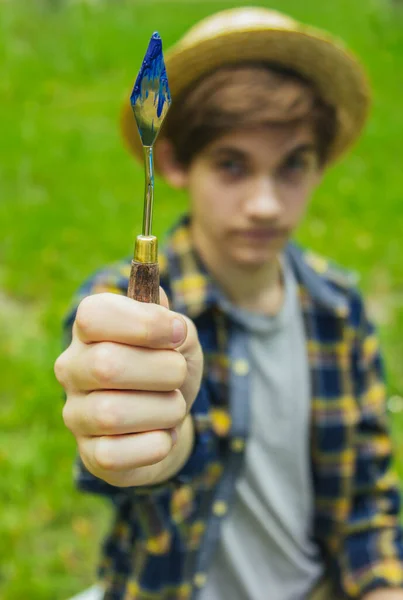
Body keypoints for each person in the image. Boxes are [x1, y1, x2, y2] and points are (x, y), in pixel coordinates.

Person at [54, 7, 403, 600]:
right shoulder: (127, 310)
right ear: (173, 162)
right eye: (233, 164)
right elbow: (137, 473)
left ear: (321, 166)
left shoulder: (339, 308)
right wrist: (158, 437)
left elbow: (365, 504)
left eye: (292, 163)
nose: (265, 204)